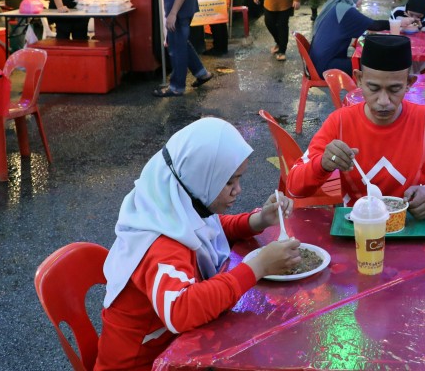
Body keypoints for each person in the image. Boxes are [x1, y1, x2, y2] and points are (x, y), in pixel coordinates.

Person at [95, 118, 302, 371]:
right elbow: (181, 309)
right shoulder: (159, 242)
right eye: (229, 182)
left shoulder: (173, 207)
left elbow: (212, 228)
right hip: (145, 364)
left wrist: (259, 220)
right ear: (199, 177)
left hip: (172, 350)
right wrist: (256, 267)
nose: (238, 190)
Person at [288, 34, 425, 216]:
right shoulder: (340, 122)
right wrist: (322, 164)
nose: (383, 101)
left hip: (415, 231)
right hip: (357, 231)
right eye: (373, 88)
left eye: (394, 89)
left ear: (409, 83)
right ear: (358, 80)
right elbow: (294, 187)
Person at [309, 0, 408, 75]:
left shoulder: (335, 6)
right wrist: (398, 22)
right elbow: (375, 25)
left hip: (318, 62)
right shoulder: (345, 11)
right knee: (377, 64)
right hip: (326, 67)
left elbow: (364, 26)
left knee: (369, 60)